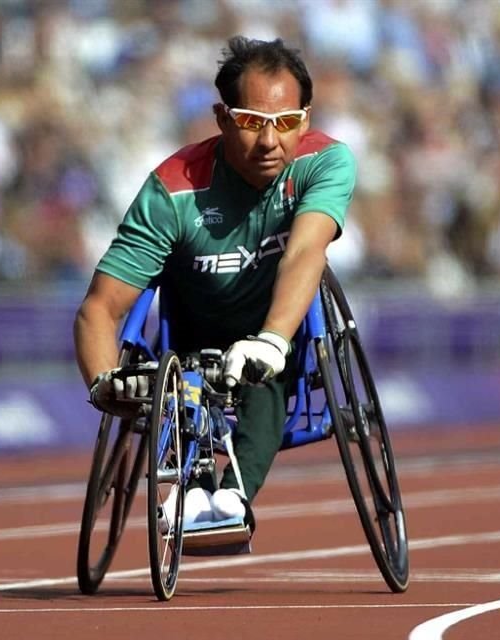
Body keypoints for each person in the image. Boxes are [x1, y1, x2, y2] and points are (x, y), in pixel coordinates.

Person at [73, 36, 356, 531]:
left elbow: (306, 251)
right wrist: (105, 386)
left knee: (266, 372)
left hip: (275, 320)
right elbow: (99, 308)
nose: (270, 142)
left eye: (286, 124)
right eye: (250, 122)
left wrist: (271, 340)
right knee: (182, 385)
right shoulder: (172, 189)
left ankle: (233, 494)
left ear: (305, 120)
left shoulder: (326, 163)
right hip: (192, 324)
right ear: (222, 118)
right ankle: (192, 479)